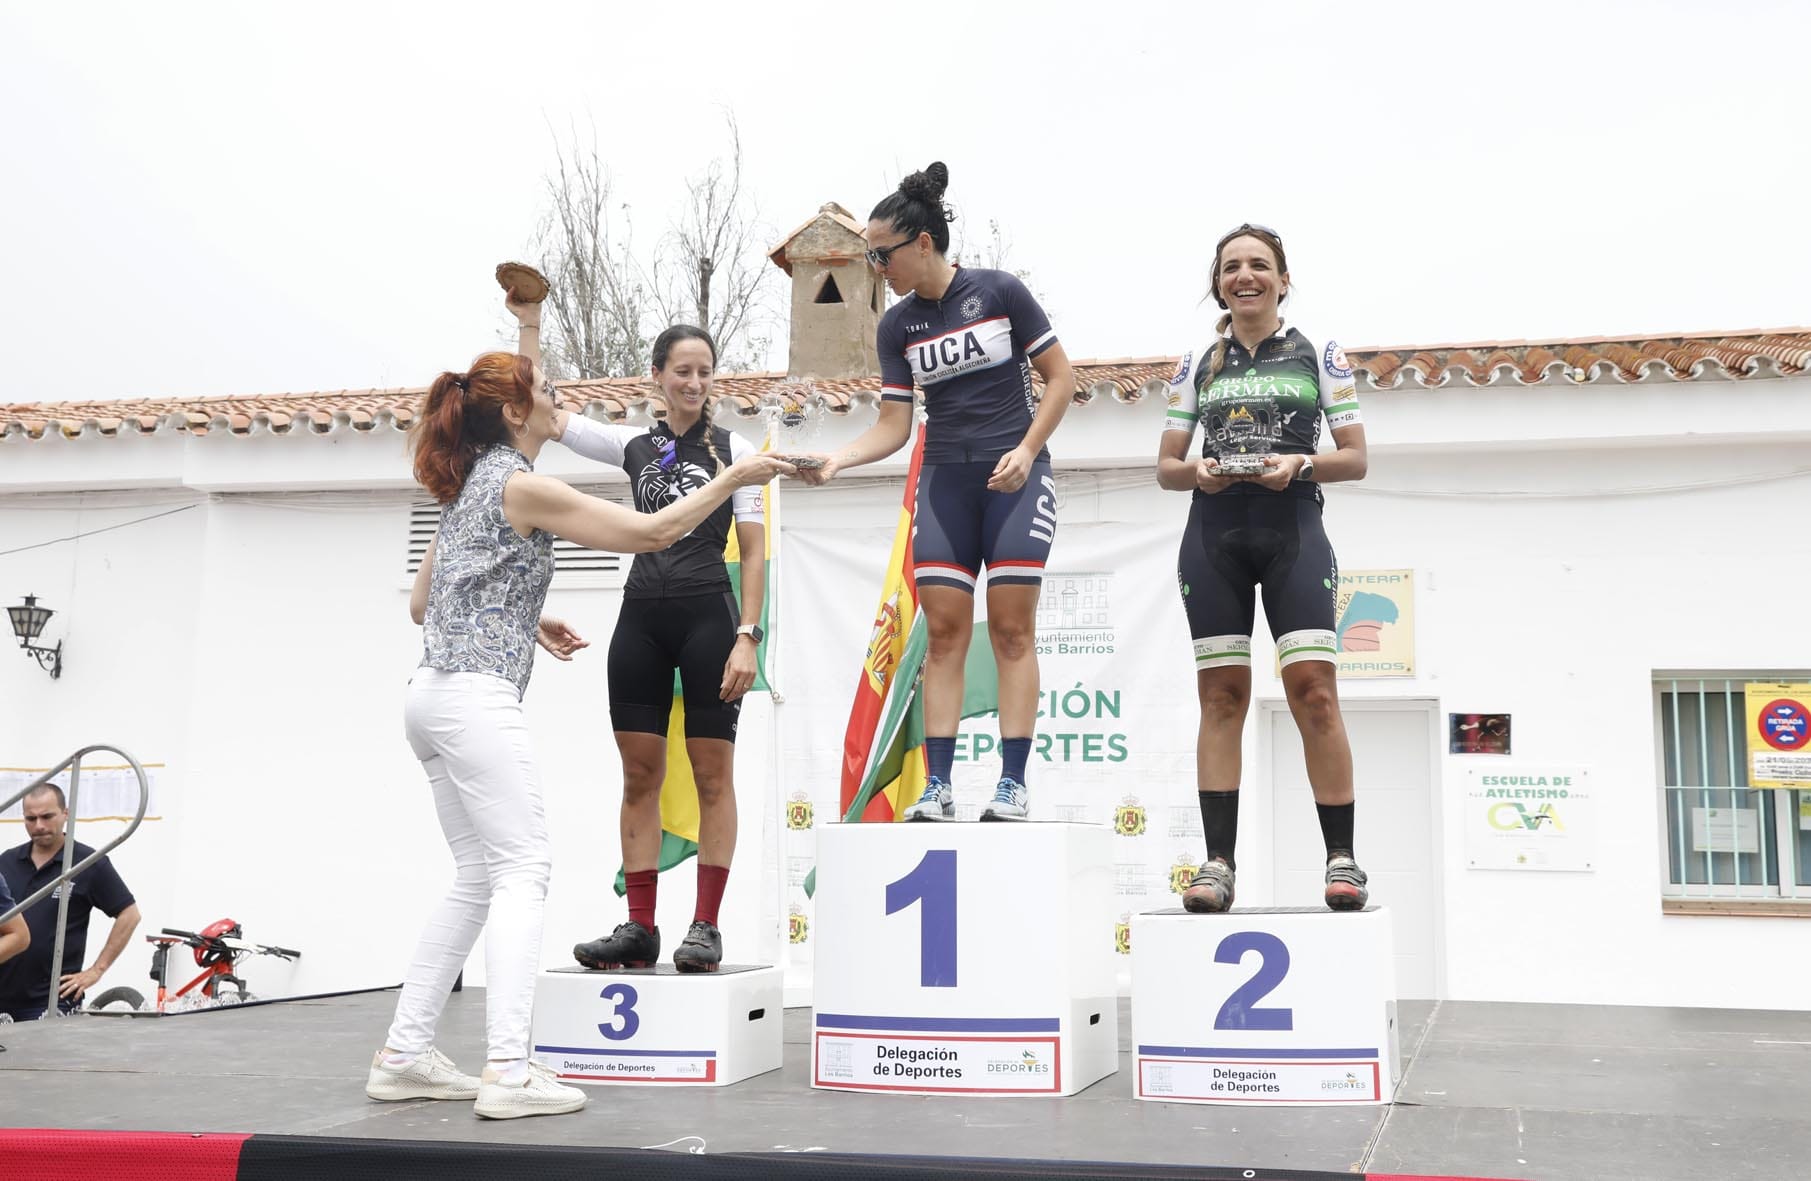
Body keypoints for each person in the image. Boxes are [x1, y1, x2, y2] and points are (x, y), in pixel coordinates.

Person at [365, 348, 792, 1120]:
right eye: (549, 392)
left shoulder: (468, 483)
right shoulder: (522, 484)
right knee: (523, 870)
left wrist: (521, 615)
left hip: (427, 699)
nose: (560, 402)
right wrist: (734, 477)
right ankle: (507, 1068)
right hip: (474, 700)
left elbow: (426, 602)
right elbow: (654, 531)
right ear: (516, 412)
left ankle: (402, 1054)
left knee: (476, 876)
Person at [795, 161, 1076, 821]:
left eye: (881, 254)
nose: (876, 268)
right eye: (869, 256)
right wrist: (837, 461)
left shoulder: (1000, 291)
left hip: (1014, 479)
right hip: (945, 483)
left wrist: (1026, 449)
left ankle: (1012, 783)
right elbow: (894, 425)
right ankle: (939, 786)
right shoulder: (896, 326)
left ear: (923, 243)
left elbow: (1060, 378)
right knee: (944, 635)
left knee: (1011, 630)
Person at [536, 319, 770, 976]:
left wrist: (748, 635)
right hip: (640, 616)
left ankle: (706, 926)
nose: (694, 383)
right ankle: (639, 928)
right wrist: (530, 324)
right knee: (639, 775)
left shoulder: (737, 449)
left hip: (709, 618)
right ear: (658, 377)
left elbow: (753, 551)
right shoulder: (631, 443)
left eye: (705, 372)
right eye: (682, 371)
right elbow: (546, 416)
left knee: (711, 775)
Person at [1155, 222, 1370, 913]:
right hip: (1212, 533)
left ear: (1282, 279)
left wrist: (1300, 463)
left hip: (1293, 529)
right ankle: (1217, 864)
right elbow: (1166, 468)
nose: (1244, 276)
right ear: (1218, 284)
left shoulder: (1318, 353)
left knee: (1314, 692)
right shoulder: (1196, 362)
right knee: (1221, 697)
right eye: (1230, 267)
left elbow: (1355, 458)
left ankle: (1342, 858)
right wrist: (1200, 472)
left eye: (1258, 265)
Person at [0, 784, 140, 1021]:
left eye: (47, 816)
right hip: (4, 994)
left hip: (52, 1000)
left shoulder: (88, 862)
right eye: (31, 818)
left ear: (66, 814)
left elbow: (130, 914)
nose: (39, 825)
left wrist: (96, 971)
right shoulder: (6, 861)